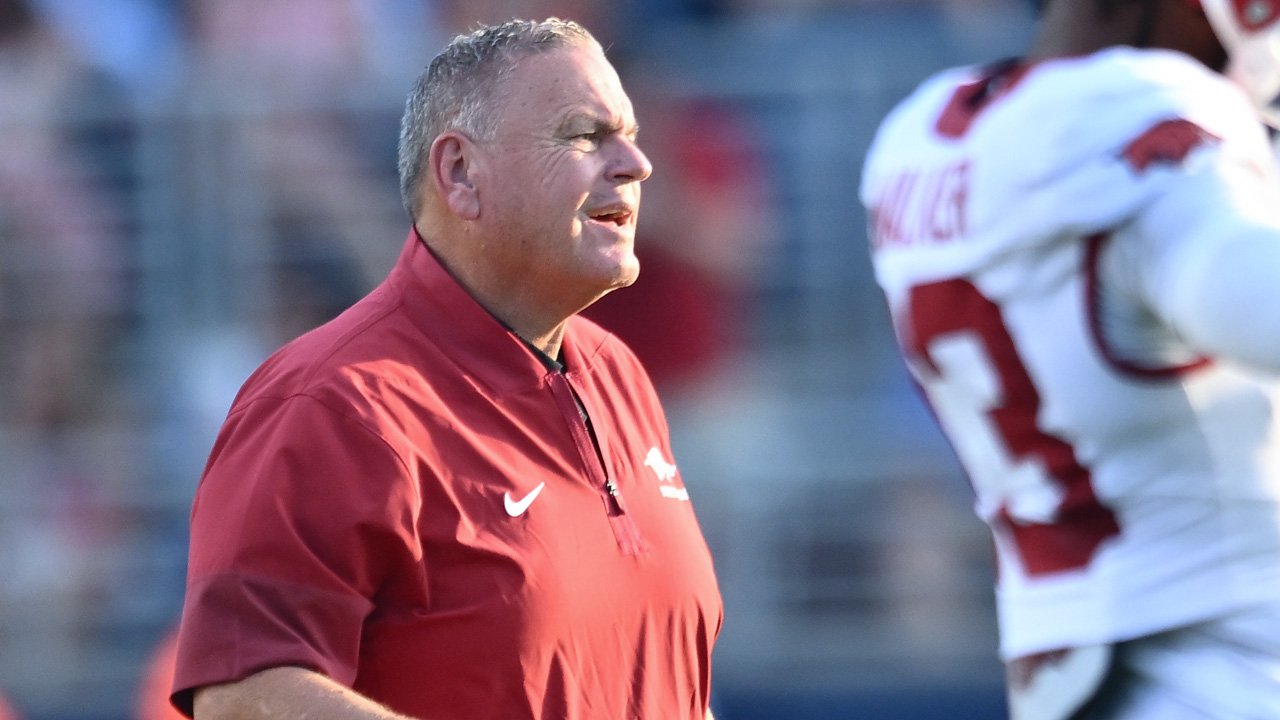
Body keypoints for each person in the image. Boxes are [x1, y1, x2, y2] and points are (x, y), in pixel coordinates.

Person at [169, 17, 722, 720]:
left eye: (632, 136)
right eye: (586, 135)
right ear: (460, 173)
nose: (636, 165)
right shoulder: (332, 404)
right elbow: (243, 695)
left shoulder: (618, 376)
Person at [860, 0, 1280, 718]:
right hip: (1224, 666)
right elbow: (1244, 296)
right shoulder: (1133, 111)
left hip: (1076, 666)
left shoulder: (919, 135)